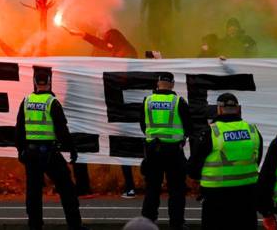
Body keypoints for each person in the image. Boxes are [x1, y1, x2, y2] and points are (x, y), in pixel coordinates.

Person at [67, 27, 138, 198]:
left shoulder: (127, 53)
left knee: (123, 146)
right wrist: (83, 34)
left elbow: (125, 77)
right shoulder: (117, 48)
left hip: (122, 107)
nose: (107, 46)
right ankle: (123, 183)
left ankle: (130, 185)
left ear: (116, 41)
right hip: (112, 104)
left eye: (109, 42)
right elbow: (101, 44)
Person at [15, 72, 87, 230]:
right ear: (49, 82)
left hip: (31, 153)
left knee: (33, 193)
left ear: (34, 82)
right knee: (67, 189)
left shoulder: (26, 101)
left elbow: (19, 129)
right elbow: (62, 130)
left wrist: (20, 151)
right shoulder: (52, 102)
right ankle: (75, 225)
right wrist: (72, 149)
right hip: (50, 153)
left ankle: (35, 226)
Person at [188, 93, 263, 230]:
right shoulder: (252, 131)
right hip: (246, 192)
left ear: (219, 109)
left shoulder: (211, 132)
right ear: (238, 108)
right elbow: (257, 159)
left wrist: (195, 180)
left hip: (216, 194)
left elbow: (195, 163)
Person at [140, 72, 192, 230]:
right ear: (172, 84)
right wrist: (181, 138)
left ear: (158, 83)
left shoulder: (147, 101)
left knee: (152, 188)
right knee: (176, 189)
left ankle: (147, 223)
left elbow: (143, 125)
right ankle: (176, 224)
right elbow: (189, 126)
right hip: (173, 150)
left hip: (152, 150)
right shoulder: (178, 102)